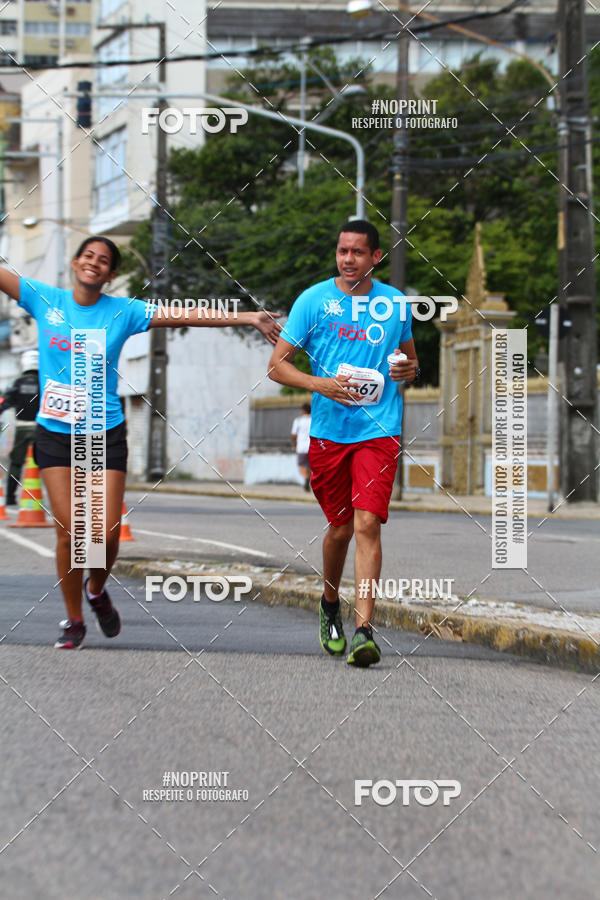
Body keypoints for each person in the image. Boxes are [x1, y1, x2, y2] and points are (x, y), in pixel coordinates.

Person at [0, 236, 280, 649]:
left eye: (104, 261)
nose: (94, 264)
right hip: (56, 434)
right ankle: (74, 619)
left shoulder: (124, 312)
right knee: (70, 532)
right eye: (88, 256)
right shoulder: (45, 299)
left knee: (106, 533)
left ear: (111, 275)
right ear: (76, 262)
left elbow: (187, 313)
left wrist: (248, 317)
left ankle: (96, 589)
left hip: (104, 434)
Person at [268, 220, 419, 667]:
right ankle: (330, 603)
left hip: (380, 429)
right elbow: (277, 366)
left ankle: (364, 630)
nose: (348, 259)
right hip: (330, 432)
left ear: (375, 257)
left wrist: (409, 371)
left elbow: (410, 361)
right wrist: (322, 384)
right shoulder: (314, 301)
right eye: (342, 251)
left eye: (357, 252)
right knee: (340, 529)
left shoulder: (394, 304)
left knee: (367, 523)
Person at [0, 349, 40, 505]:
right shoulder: (43, 382)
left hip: (22, 428)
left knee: (16, 462)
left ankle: (10, 497)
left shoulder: (17, 383)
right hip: (42, 429)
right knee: (48, 462)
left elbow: (5, 402)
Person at [291, 402, 311, 491]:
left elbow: (294, 435)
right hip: (311, 446)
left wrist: (294, 445)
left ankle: (306, 478)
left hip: (301, 446)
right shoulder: (314, 420)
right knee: (311, 466)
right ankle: (309, 479)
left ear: (303, 411)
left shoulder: (298, 421)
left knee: (301, 465)